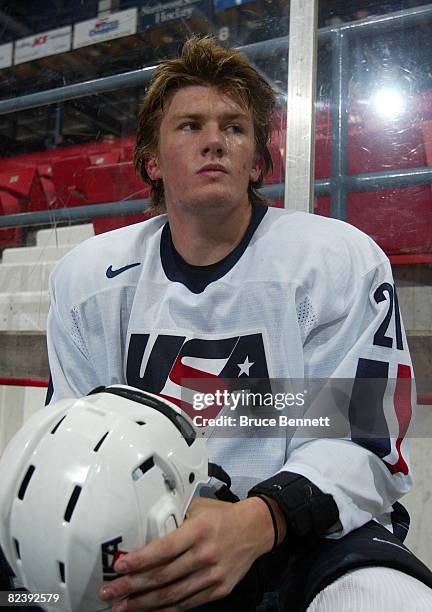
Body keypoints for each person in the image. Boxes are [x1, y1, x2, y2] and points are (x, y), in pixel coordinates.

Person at [43, 36, 432, 611]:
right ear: (151, 160)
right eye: (190, 126)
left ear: (255, 160)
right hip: (146, 532)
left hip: (303, 534)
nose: (214, 142)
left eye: (234, 127)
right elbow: (70, 442)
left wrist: (260, 520)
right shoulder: (89, 278)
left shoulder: (335, 260)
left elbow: (364, 436)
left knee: (385, 600)